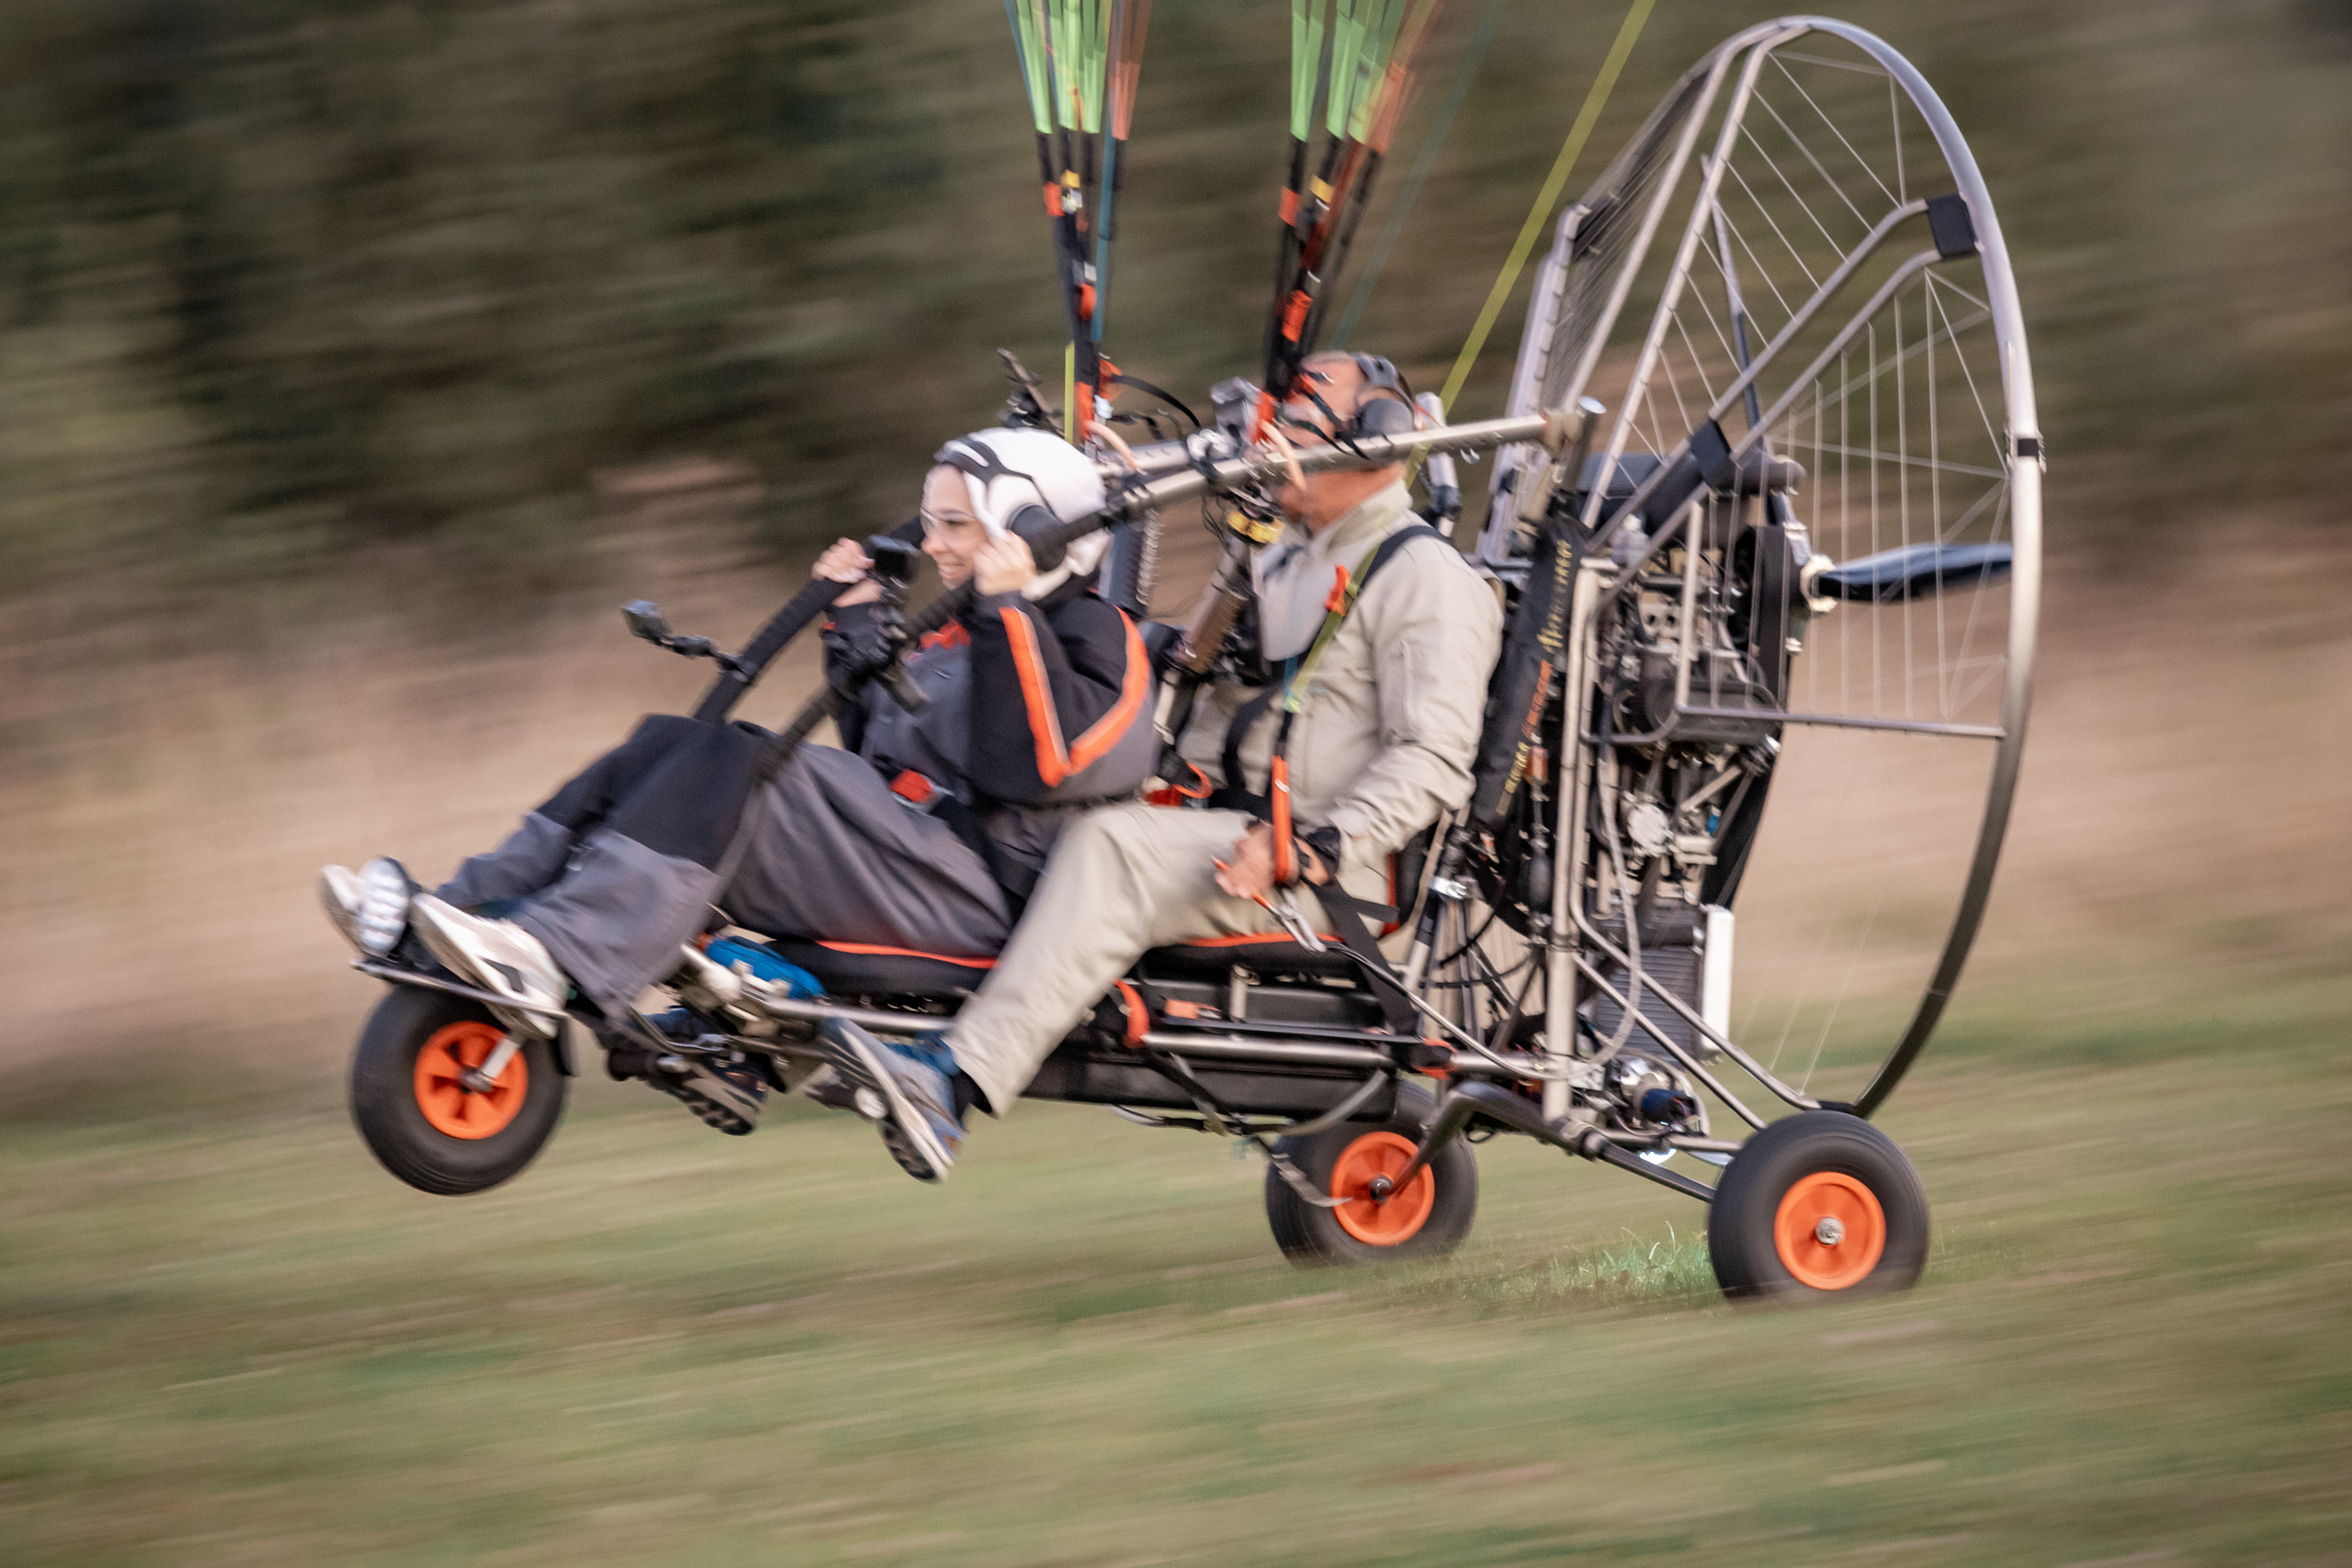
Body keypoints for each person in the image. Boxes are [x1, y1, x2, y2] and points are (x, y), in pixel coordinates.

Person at [321, 426, 1154, 1135]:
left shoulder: (1097, 638)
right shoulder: (970, 629)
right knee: (674, 741)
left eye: (955, 525)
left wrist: (1006, 610)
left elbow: (1035, 766)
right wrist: (857, 619)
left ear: (1032, 530)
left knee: (738, 759)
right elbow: (886, 754)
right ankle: (457, 913)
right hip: (914, 858)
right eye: (931, 523)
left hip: (988, 904)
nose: (933, 544)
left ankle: (560, 950)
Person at [829, 352, 1505, 1180]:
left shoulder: (1425, 576)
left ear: (1374, 441)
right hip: (1222, 821)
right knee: (1030, 805)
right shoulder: (1287, 552)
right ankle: (848, 1008)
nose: (1268, 436)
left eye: (1295, 416)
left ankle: (951, 1084)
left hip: (1321, 867)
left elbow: (1435, 759)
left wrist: (1317, 846)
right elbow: (1182, 667)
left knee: (1110, 847)